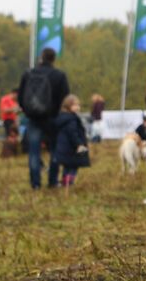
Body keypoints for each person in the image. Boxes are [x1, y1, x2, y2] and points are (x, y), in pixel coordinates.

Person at [17, 48, 71, 189]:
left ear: (41, 57)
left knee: (34, 151)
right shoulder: (59, 75)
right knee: (55, 150)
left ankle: (35, 184)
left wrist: (28, 111)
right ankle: (52, 181)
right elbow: (65, 98)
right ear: (54, 59)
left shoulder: (28, 74)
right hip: (53, 118)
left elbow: (21, 96)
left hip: (34, 118)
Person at [52, 94, 91, 190]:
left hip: (65, 148)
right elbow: (73, 133)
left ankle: (65, 182)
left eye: (78, 105)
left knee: (67, 166)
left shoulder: (63, 118)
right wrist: (79, 144)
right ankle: (68, 183)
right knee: (73, 166)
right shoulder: (71, 120)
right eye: (75, 105)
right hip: (72, 149)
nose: (77, 107)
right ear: (68, 106)